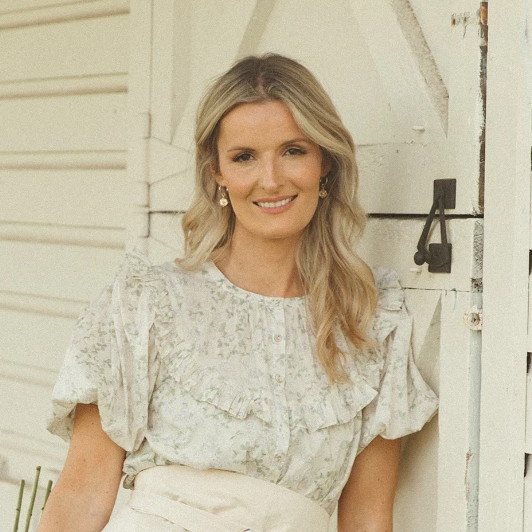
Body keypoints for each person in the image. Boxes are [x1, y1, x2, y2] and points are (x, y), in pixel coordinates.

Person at [38, 53, 438, 532]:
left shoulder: (370, 321)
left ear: (325, 164)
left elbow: (369, 519)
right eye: (244, 156)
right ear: (217, 173)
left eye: (293, 150)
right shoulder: (147, 303)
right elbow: (81, 498)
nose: (271, 179)